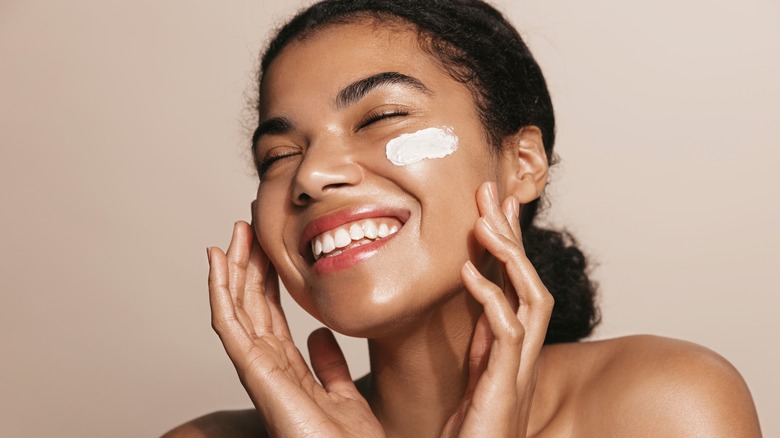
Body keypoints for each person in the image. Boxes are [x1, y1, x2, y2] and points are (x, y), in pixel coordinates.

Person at [164, 0, 761, 436]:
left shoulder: (663, 407)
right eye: (278, 155)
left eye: (381, 117)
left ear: (522, 163)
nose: (311, 175)